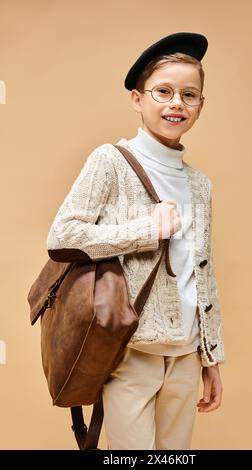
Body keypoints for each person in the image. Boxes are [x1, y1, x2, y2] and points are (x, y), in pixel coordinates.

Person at [46, 32, 225, 450]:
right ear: (137, 99)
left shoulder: (200, 184)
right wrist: (147, 231)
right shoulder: (110, 160)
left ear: (200, 105)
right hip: (129, 352)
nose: (176, 103)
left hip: (186, 355)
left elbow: (204, 272)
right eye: (163, 91)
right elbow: (63, 236)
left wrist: (212, 356)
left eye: (189, 94)